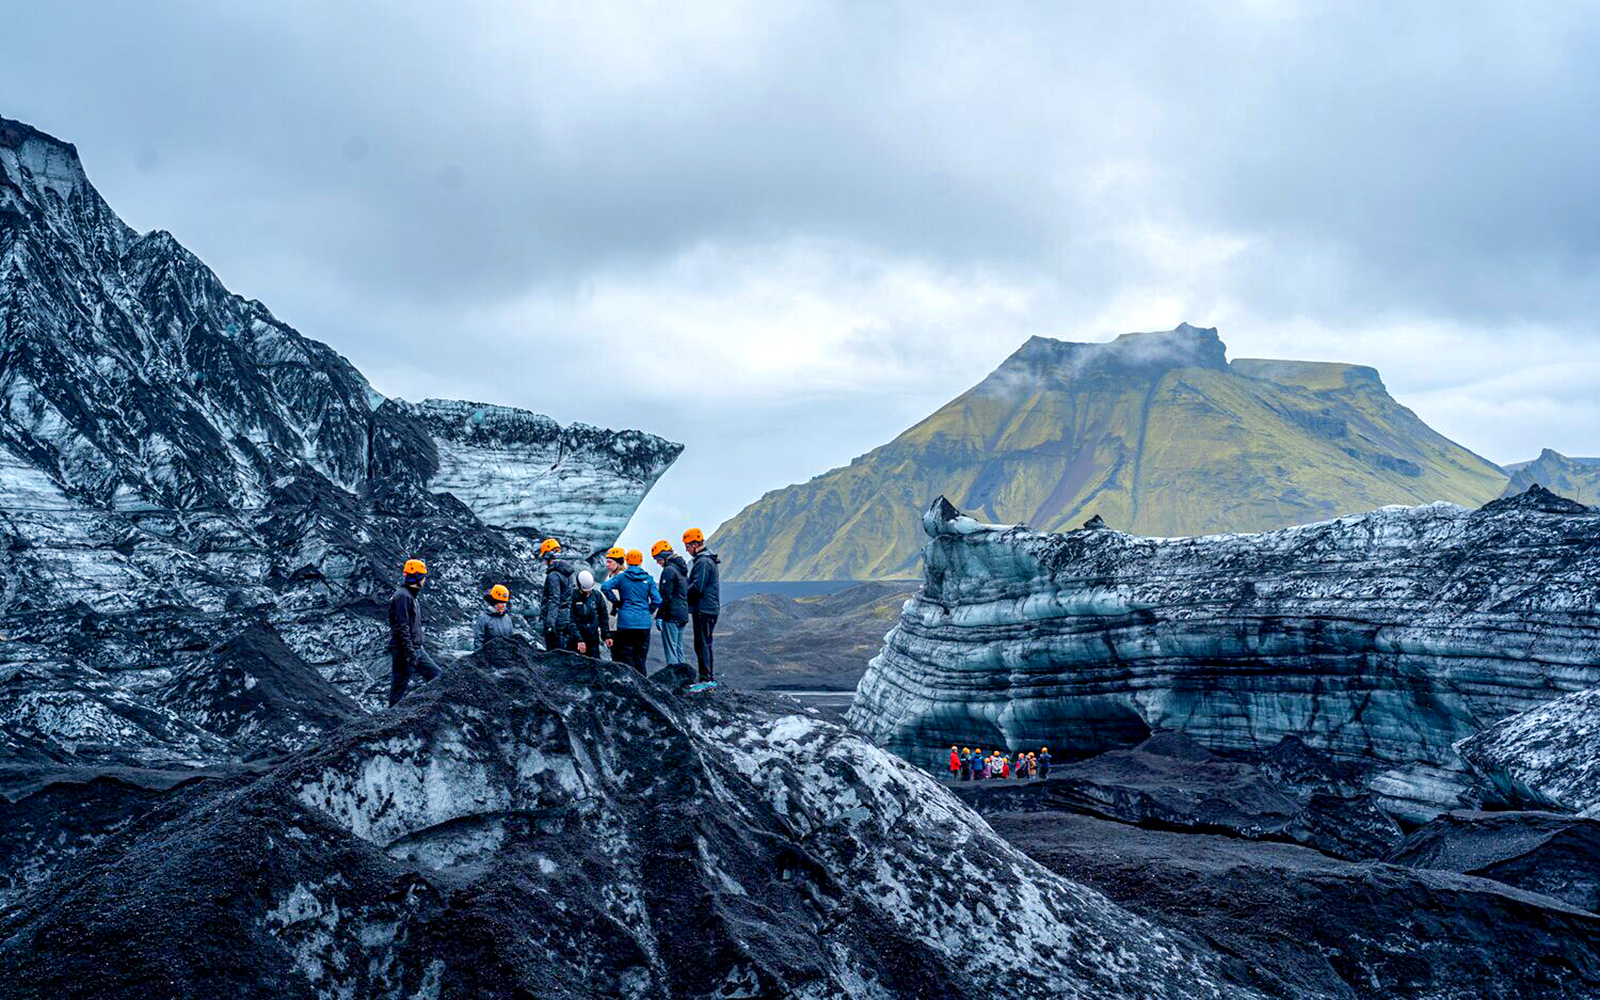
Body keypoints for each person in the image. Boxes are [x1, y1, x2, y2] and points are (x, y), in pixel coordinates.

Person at [388, 558, 442, 707]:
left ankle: (431, 708)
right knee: (399, 685)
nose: (425, 580)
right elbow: (402, 626)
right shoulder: (403, 596)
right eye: (423, 577)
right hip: (404, 649)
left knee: (436, 675)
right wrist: (409, 651)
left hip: (415, 648)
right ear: (417, 577)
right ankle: (389, 720)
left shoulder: (409, 596)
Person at [602, 549, 661, 675]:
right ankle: (644, 688)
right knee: (640, 658)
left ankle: (629, 687)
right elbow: (657, 600)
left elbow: (605, 587)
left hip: (625, 623)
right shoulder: (649, 579)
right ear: (640, 561)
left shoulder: (621, 577)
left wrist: (617, 602)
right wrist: (649, 610)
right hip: (643, 623)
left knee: (626, 658)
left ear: (627, 561)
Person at [683, 528, 720, 687]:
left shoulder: (703, 562)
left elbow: (698, 586)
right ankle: (708, 678)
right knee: (706, 643)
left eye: (688, 546)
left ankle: (706, 680)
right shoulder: (707, 560)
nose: (687, 550)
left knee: (702, 643)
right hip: (708, 607)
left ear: (696, 544)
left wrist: (683, 596)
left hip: (703, 608)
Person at [652, 540, 690, 674]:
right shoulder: (682, 569)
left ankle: (674, 678)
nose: (657, 562)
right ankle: (685, 676)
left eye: (657, 559)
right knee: (678, 647)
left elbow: (665, 596)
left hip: (671, 615)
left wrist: (659, 615)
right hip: (683, 614)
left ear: (663, 556)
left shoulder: (669, 570)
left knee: (671, 648)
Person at [540, 538, 576, 652]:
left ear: (548, 555)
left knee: (554, 652)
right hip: (566, 617)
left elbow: (554, 600)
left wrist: (550, 624)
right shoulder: (568, 572)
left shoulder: (553, 575)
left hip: (556, 619)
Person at [571, 570, 613, 658]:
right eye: (585, 591)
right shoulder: (573, 597)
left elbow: (603, 617)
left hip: (593, 639)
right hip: (577, 640)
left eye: (590, 590)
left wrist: (606, 635)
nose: (588, 593)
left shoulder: (597, 596)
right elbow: (571, 620)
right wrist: (579, 639)